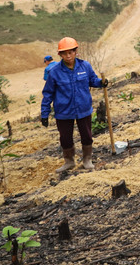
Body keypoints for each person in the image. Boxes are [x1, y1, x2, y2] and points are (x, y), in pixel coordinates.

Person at [40, 37, 108, 172]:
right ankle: (69, 161)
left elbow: (92, 80)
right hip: (63, 111)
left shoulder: (85, 66)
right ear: (60, 55)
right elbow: (48, 93)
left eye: (70, 52)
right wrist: (44, 113)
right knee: (65, 138)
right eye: (64, 53)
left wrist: (101, 83)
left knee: (87, 135)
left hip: (83, 108)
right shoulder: (54, 72)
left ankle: (87, 159)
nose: (68, 56)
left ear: (76, 51)